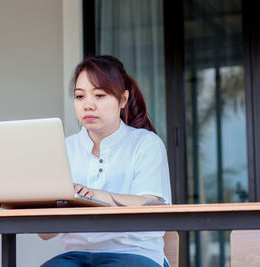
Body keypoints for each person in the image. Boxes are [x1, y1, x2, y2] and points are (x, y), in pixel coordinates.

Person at [40, 55, 172, 267]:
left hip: (135, 254)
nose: (88, 105)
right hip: (76, 255)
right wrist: (61, 203)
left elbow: (153, 207)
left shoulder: (146, 144)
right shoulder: (64, 148)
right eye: (80, 96)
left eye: (99, 95)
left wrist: (96, 196)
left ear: (123, 99)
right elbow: (45, 234)